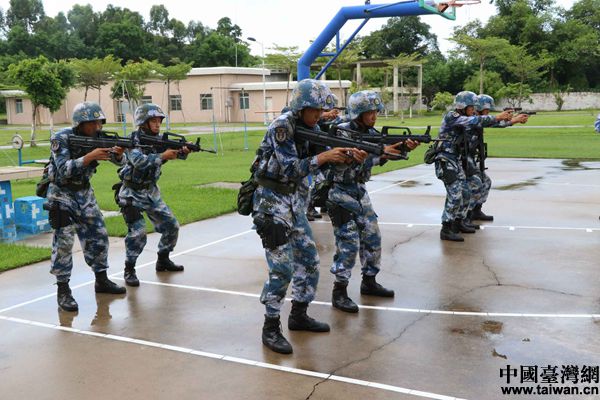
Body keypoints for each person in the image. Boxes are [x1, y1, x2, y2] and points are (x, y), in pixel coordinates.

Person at [251, 79, 363, 354]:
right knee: (282, 269)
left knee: (310, 261)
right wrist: (325, 157)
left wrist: (347, 157)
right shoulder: (282, 127)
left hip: (294, 205)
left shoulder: (311, 129)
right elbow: (291, 169)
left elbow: (321, 167)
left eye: (321, 110)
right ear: (301, 107)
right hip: (271, 204)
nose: (318, 115)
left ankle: (298, 314)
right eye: (314, 110)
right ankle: (270, 326)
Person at [327, 90, 418, 313]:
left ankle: (369, 281)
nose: (374, 116)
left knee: (372, 236)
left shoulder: (371, 133)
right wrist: (379, 154)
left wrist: (402, 148)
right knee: (348, 242)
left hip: (359, 191)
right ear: (358, 113)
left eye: (376, 111)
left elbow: (381, 156)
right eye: (369, 112)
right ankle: (339, 291)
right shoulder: (343, 132)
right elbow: (346, 160)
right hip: (340, 191)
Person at [47, 102, 126, 312]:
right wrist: (89, 157)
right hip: (61, 193)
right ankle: (63, 290)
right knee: (64, 241)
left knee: (98, 234)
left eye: (99, 122)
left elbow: (120, 161)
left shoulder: (99, 137)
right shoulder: (61, 138)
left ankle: (101, 280)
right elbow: (63, 169)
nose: (97, 127)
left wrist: (119, 154)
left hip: (84, 192)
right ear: (80, 123)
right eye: (92, 123)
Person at [116, 104, 188, 287]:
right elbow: (139, 162)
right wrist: (163, 156)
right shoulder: (132, 141)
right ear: (143, 122)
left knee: (171, 226)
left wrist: (182, 152)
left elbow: (171, 155)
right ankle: (129, 269)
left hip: (151, 192)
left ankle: (163, 259)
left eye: (159, 121)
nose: (157, 124)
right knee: (138, 233)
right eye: (153, 121)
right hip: (131, 194)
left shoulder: (159, 140)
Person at [432, 91, 512, 242]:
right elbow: (474, 121)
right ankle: (446, 228)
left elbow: (480, 121)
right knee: (455, 192)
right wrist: (497, 117)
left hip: (456, 159)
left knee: (466, 191)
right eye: (471, 107)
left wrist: (508, 120)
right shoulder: (452, 116)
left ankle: (458, 223)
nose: (473, 110)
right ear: (463, 106)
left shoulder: (467, 117)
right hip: (445, 160)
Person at [468, 95, 528, 222]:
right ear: (480, 108)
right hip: (460, 158)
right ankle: (466, 215)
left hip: (471, 157)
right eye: (487, 109)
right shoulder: (470, 119)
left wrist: (515, 120)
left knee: (485, 182)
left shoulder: (479, 118)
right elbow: (485, 120)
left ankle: (476, 211)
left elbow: (494, 123)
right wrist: (502, 117)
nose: (488, 112)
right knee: (475, 184)